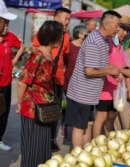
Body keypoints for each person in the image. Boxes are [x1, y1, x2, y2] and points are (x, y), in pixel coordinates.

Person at [65, 10, 121, 147]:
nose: (118, 29)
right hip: (81, 92)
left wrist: (113, 70)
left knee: (88, 124)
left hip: (90, 94)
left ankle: (85, 153)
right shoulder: (94, 41)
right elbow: (89, 71)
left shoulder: (104, 40)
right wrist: (109, 70)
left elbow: (100, 64)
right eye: (117, 25)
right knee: (79, 127)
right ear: (106, 25)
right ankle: (78, 157)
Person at [17, 20, 64, 167]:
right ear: (52, 38)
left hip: (46, 110)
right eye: (60, 35)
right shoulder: (37, 56)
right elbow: (22, 82)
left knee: (43, 147)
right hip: (32, 109)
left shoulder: (49, 55)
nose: (62, 38)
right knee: (32, 148)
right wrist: (19, 104)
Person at [93, 15, 130, 137]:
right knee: (101, 117)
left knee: (112, 117)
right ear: (117, 27)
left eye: (127, 30)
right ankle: (94, 145)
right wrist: (120, 71)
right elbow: (102, 62)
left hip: (115, 87)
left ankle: (107, 142)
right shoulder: (108, 42)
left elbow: (122, 64)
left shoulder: (119, 44)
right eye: (124, 29)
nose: (126, 33)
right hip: (105, 87)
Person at [33, 7, 71, 151]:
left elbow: (66, 57)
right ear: (57, 17)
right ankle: (40, 136)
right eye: (65, 18)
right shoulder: (44, 31)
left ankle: (51, 139)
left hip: (59, 79)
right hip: (45, 79)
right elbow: (36, 50)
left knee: (56, 110)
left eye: (69, 19)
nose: (67, 21)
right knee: (42, 107)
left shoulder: (66, 36)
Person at [0, 0, 24, 151]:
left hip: (6, 82)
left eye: (8, 23)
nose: (7, 26)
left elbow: (21, 46)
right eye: (5, 22)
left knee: (3, 113)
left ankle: (0, 138)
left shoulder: (10, 37)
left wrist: (14, 60)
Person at [63, 25, 87, 138]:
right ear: (80, 34)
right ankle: (66, 127)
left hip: (82, 81)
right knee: (68, 105)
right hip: (69, 79)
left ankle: (76, 129)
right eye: (85, 33)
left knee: (78, 106)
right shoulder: (70, 46)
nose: (87, 34)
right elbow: (65, 61)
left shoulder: (86, 46)